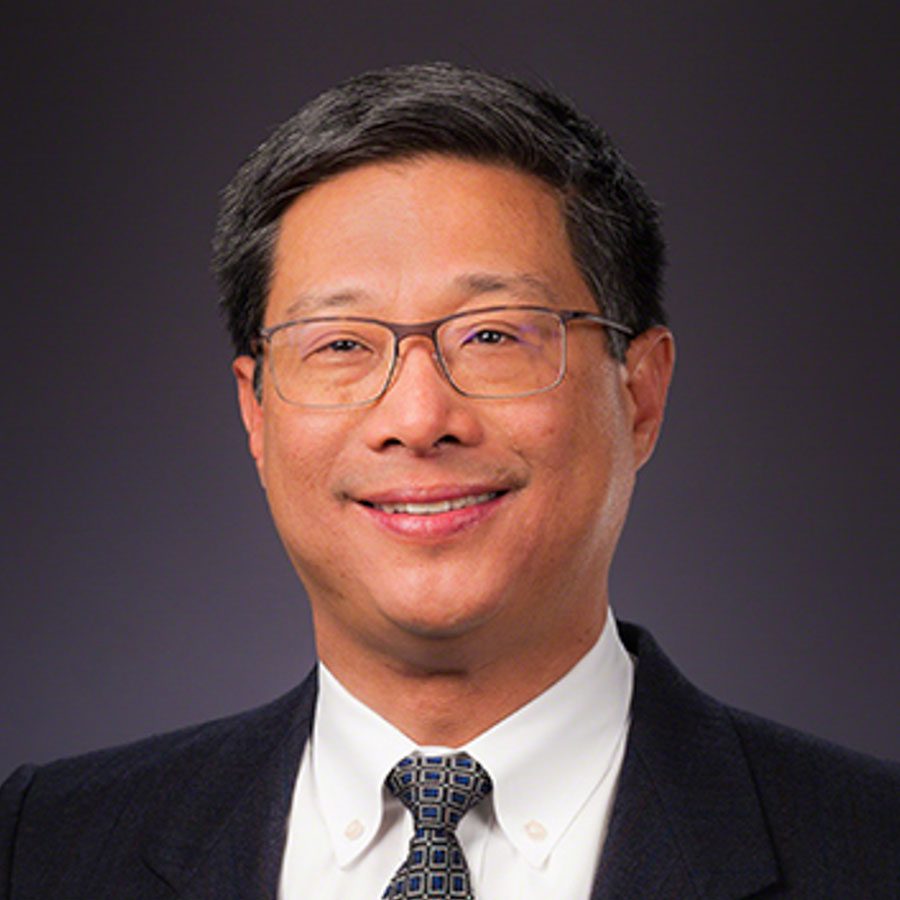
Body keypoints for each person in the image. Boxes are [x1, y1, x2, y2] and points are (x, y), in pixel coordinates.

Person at [1, 62, 897, 900]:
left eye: (495, 335)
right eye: (342, 345)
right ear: (258, 412)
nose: (420, 418)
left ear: (640, 395)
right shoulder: (45, 847)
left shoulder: (867, 848)